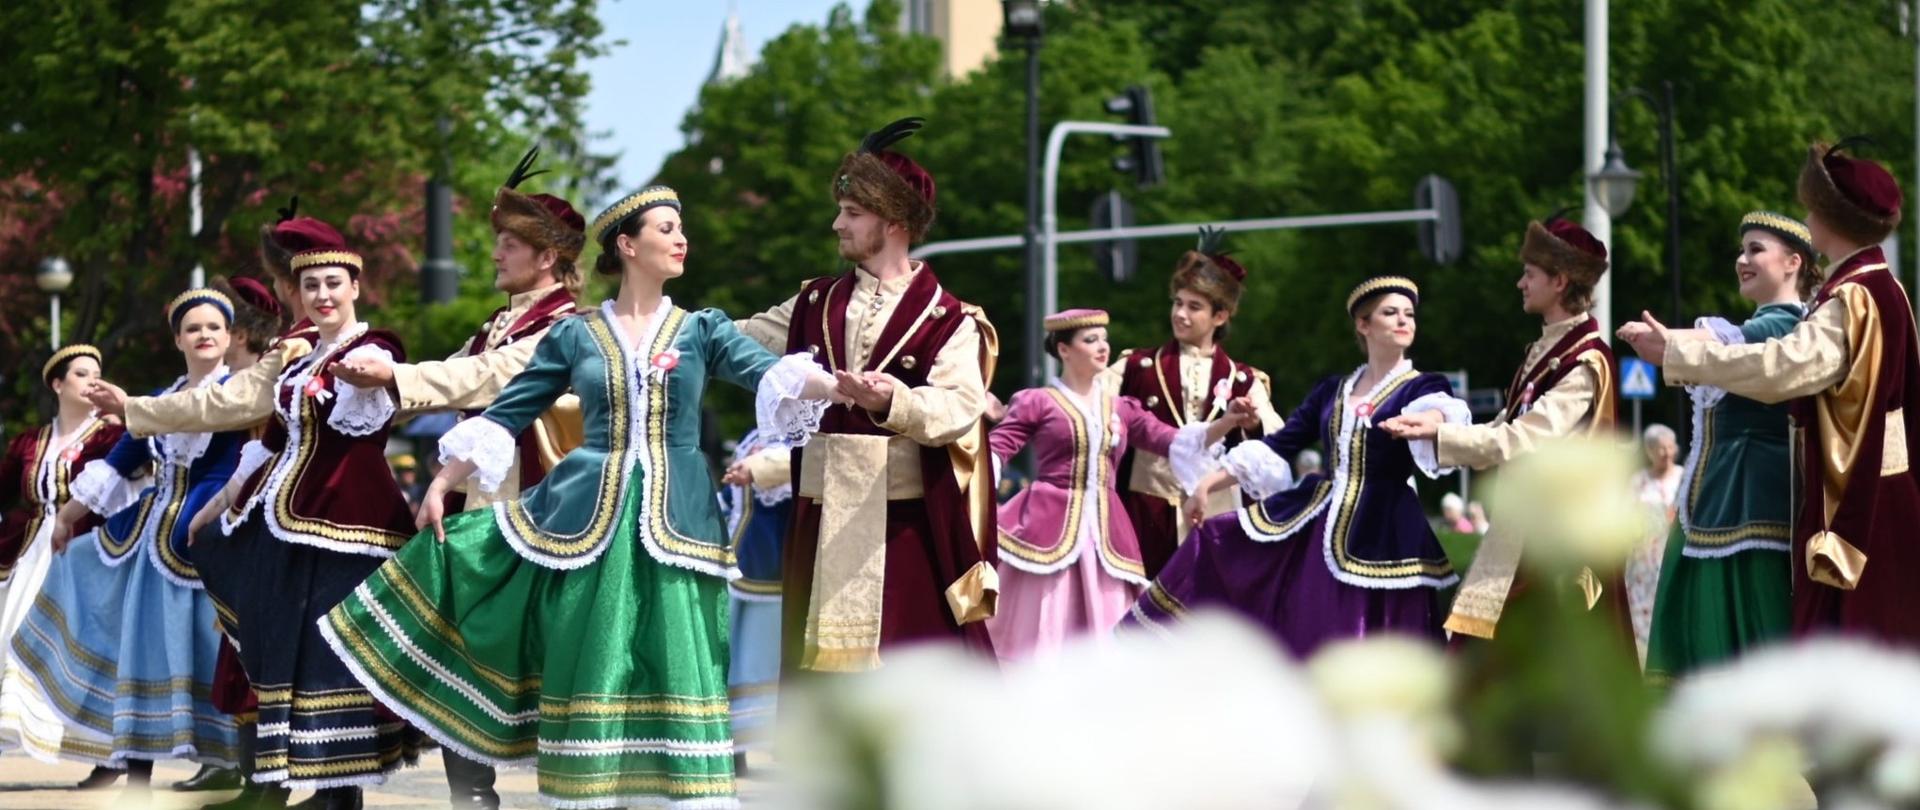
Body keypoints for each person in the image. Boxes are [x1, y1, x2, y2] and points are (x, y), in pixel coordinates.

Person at [320, 185, 837, 810]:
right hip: (588, 519)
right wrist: (440, 481)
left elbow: (769, 372)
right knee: (595, 653)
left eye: (681, 229)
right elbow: (510, 409)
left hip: (679, 520)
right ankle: (586, 792)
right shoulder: (576, 335)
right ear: (628, 245)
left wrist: (846, 387)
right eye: (666, 229)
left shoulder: (703, 329)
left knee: (677, 653)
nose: (681, 239)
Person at [1623, 138, 1920, 646]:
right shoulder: (1886, 289)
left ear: (1833, 217)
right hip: (1881, 486)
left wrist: (1676, 353)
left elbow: (1780, 368)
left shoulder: (1853, 297)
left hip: (1858, 497)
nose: (1807, 216)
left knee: (1852, 648)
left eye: (1813, 207)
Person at [733, 117, 1003, 672]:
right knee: (818, 685)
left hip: (903, 525)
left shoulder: (951, 320)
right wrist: (654, 324)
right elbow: (737, 339)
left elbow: (959, 407)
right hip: (818, 520)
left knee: (910, 678)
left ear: (896, 220)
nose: (838, 224)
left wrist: (893, 402)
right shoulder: (813, 304)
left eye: (853, 213)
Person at [184, 217, 418, 810]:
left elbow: (370, 399)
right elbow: (269, 443)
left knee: (337, 653)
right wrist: (217, 505)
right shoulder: (300, 360)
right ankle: (303, 783)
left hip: (351, 525)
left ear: (356, 286)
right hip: (289, 525)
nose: (322, 295)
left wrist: (363, 376)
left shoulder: (375, 348)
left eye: (333, 283)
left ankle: (341, 793)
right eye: (311, 285)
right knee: (296, 649)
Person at [1130, 278, 1469, 656]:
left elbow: (1440, 411)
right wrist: (1207, 484)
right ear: (1364, 324)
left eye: (1409, 314)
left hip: (1386, 526)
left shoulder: (1422, 386)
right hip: (1322, 522)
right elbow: (1280, 444)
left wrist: (1431, 422)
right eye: (1390, 313)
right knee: (1226, 545)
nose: (1404, 321)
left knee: (1383, 629)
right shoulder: (1332, 391)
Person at [0, 290, 250, 796]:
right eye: (193, 328)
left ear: (229, 338)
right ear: (178, 340)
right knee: (141, 651)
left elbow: (242, 461)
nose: (204, 335)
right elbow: (119, 460)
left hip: (210, 537)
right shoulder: (160, 396)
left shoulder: (240, 391)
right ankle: (137, 775)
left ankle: (227, 761)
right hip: (152, 539)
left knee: (214, 650)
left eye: (214, 327)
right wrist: (66, 517)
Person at [1380, 214, 1623, 642]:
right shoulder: (1546, 350)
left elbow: (1519, 439)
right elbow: (1506, 424)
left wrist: (1437, 435)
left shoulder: (1585, 361)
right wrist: (1435, 426)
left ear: (1560, 281)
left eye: (1529, 273)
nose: (1520, 283)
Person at [332, 146, 584, 512]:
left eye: (510, 246)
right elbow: (446, 377)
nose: (496, 255)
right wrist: (346, 404)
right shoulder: (499, 323)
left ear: (547, 257)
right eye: (498, 244)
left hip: (531, 503)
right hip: (475, 494)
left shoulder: (564, 327)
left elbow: (483, 375)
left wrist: (392, 375)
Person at [985, 309, 1246, 662]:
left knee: (1106, 623)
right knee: (1045, 623)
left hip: (1107, 533)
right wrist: (975, 497)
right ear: (1064, 350)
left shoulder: (1120, 408)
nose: (1102, 347)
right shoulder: (1039, 401)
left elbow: (1175, 441)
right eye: (1090, 340)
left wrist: (1227, 422)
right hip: (1046, 527)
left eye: (1104, 339)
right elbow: (998, 449)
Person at [1641, 211, 1817, 680]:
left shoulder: (1788, 324)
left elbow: (1726, 340)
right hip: (1724, 498)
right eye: (1742, 250)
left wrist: (1670, 340)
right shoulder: (1763, 324)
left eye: (1756, 250)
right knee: (1727, 628)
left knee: (1752, 624)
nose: (1742, 260)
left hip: (1754, 499)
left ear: (1793, 262)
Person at [1107, 228, 1284, 580]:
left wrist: (1251, 425)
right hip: (1146, 511)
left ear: (1220, 316)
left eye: (1194, 307)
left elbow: (1276, 444)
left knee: (1210, 604)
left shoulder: (1244, 380)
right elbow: (1086, 404)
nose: (1180, 314)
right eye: (1178, 303)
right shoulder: (1135, 367)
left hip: (1215, 514)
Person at [0, 345, 125, 778]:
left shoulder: (110, 436)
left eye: (97, 374)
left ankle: (105, 754)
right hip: (31, 553)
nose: (92, 381)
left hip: (85, 552)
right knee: (18, 637)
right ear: (57, 384)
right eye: (81, 374)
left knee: (86, 646)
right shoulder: (29, 442)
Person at [717, 428, 795, 765]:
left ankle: (782, 738)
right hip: (740, 557)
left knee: (766, 656)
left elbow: (806, 464)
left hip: (777, 561)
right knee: (736, 654)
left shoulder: (805, 434)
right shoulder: (756, 434)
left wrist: (762, 467)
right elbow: (730, 498)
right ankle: (735, 744)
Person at [1626, 423, 1682, 662]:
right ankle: (1645, 659)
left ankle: (1670, 654)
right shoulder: (1638, 481)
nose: (1667, 453)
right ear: (1649, 451)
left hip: (1672, 551)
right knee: (1642, 611)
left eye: (1670, 447)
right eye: (1660, 448)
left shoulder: (1683, 476)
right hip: (1643, 560)